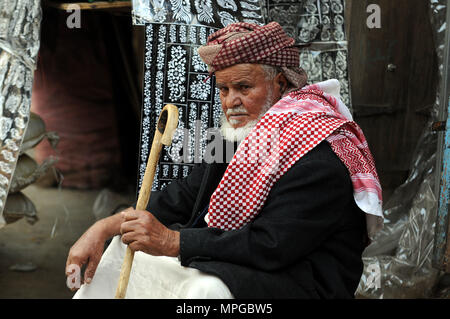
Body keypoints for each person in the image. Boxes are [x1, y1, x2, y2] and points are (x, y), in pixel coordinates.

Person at [66, 22, 383, 299]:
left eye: (244, 87)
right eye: (223, 89)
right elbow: (185, 196)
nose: (231, 101)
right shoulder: (241, 134)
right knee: (125, 247)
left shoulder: (318, 152)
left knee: (205, 292)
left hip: (303, 281)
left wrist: (174, 241)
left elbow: (271, 245)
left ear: (282, 84)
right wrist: (103, 227)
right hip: (243, 258)